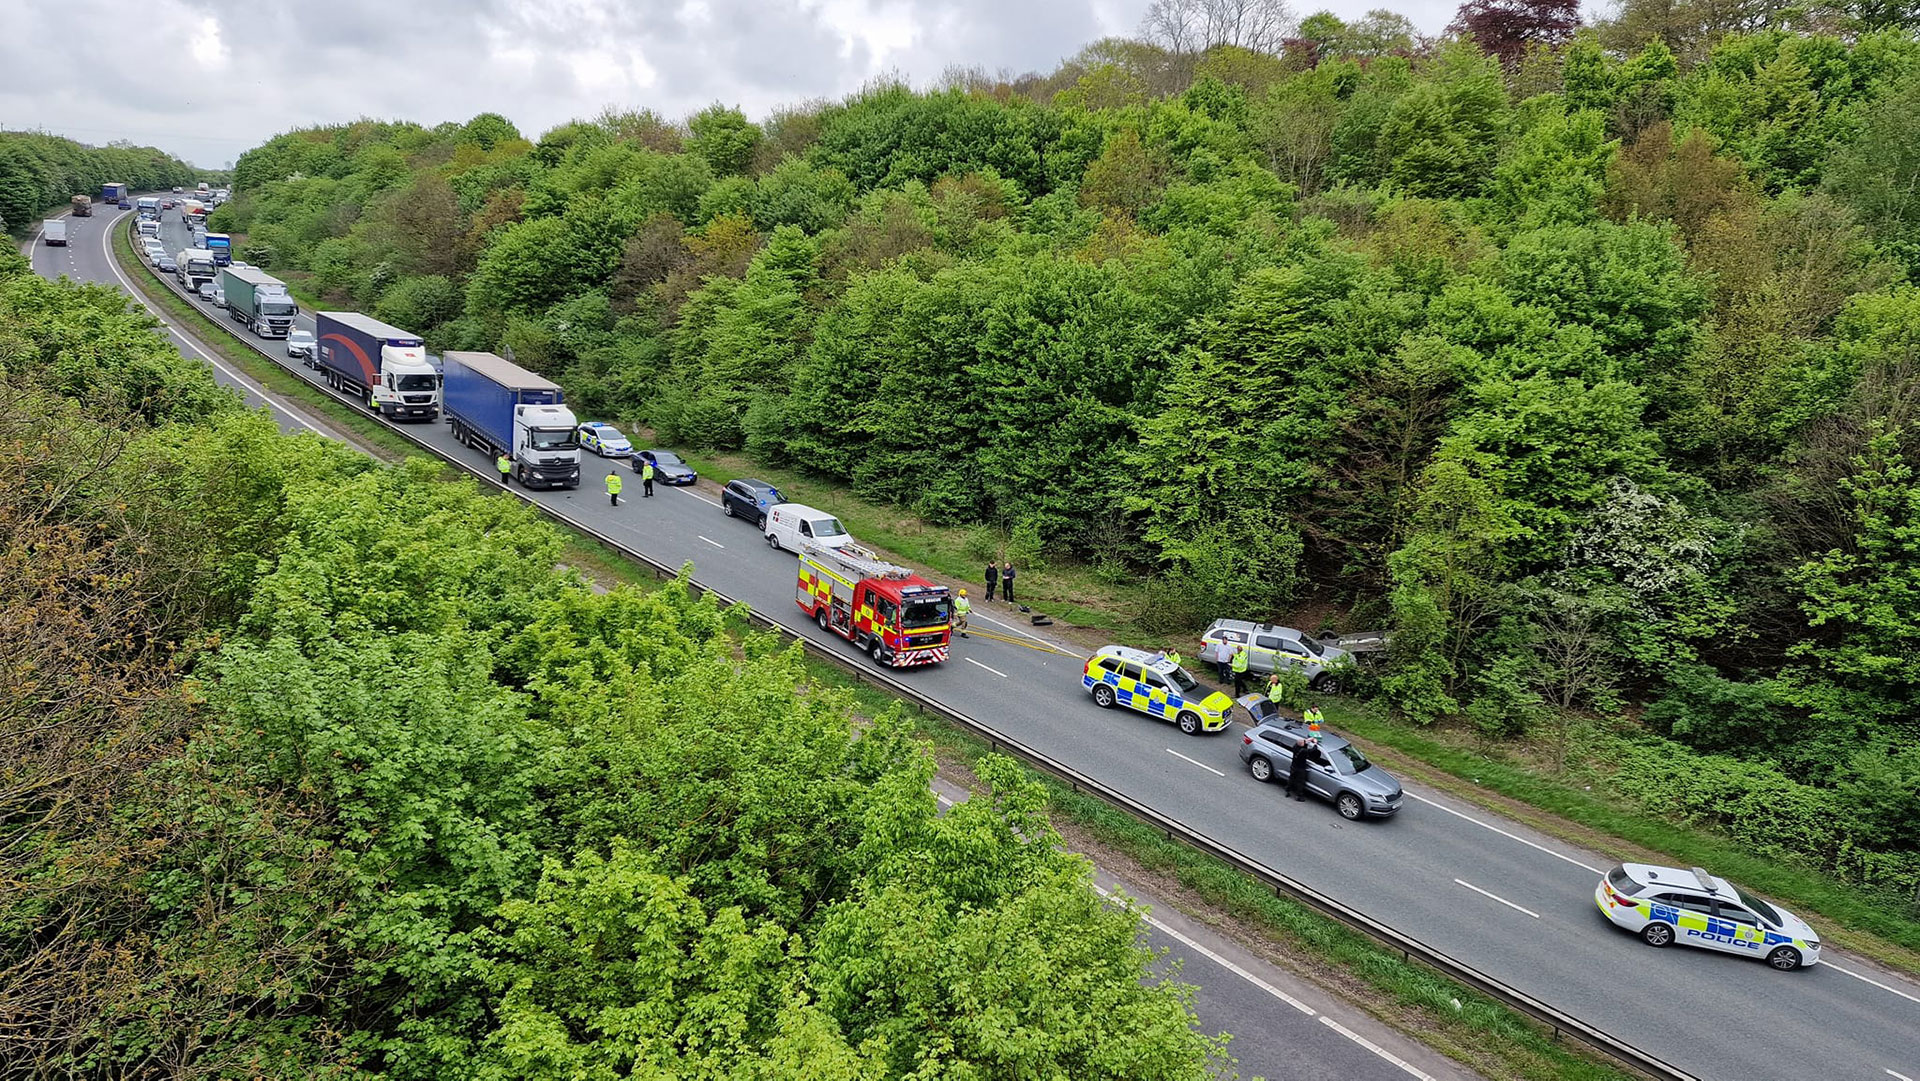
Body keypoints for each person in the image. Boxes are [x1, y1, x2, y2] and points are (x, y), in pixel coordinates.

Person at [1285, 735, 1312, 801]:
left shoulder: (1295, 747)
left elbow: (1302, 743)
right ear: (1302, 745)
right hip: (1300, 768)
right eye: (1303, 742)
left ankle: (1287, 790)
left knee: (1291, 779)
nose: (1304, 742)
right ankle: (1299, 796)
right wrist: (1316, 744)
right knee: (1300, 782)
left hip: (1293, 766)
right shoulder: (1303, 751)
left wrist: (1308, 740)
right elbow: (1312, 750)